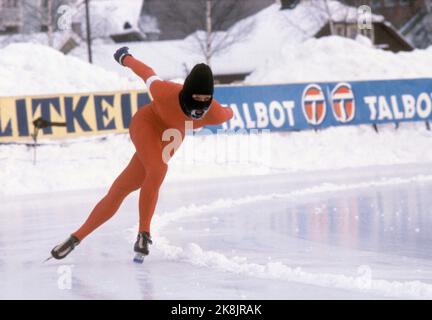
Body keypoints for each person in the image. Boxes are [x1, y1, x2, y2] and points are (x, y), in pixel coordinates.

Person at [50, 47, 233, 260]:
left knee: (121, 189)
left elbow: (228, 113)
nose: (201, 104)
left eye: (206, 99)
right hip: (147, 124)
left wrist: (229, 111)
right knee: (158, 169)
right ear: (185, 94)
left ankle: (75, 238)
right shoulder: (164, 91)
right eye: (196, 97)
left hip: (171, 137)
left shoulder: (216, 113)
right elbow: (146, 72)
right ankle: (144, 233)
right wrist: (125, 58)